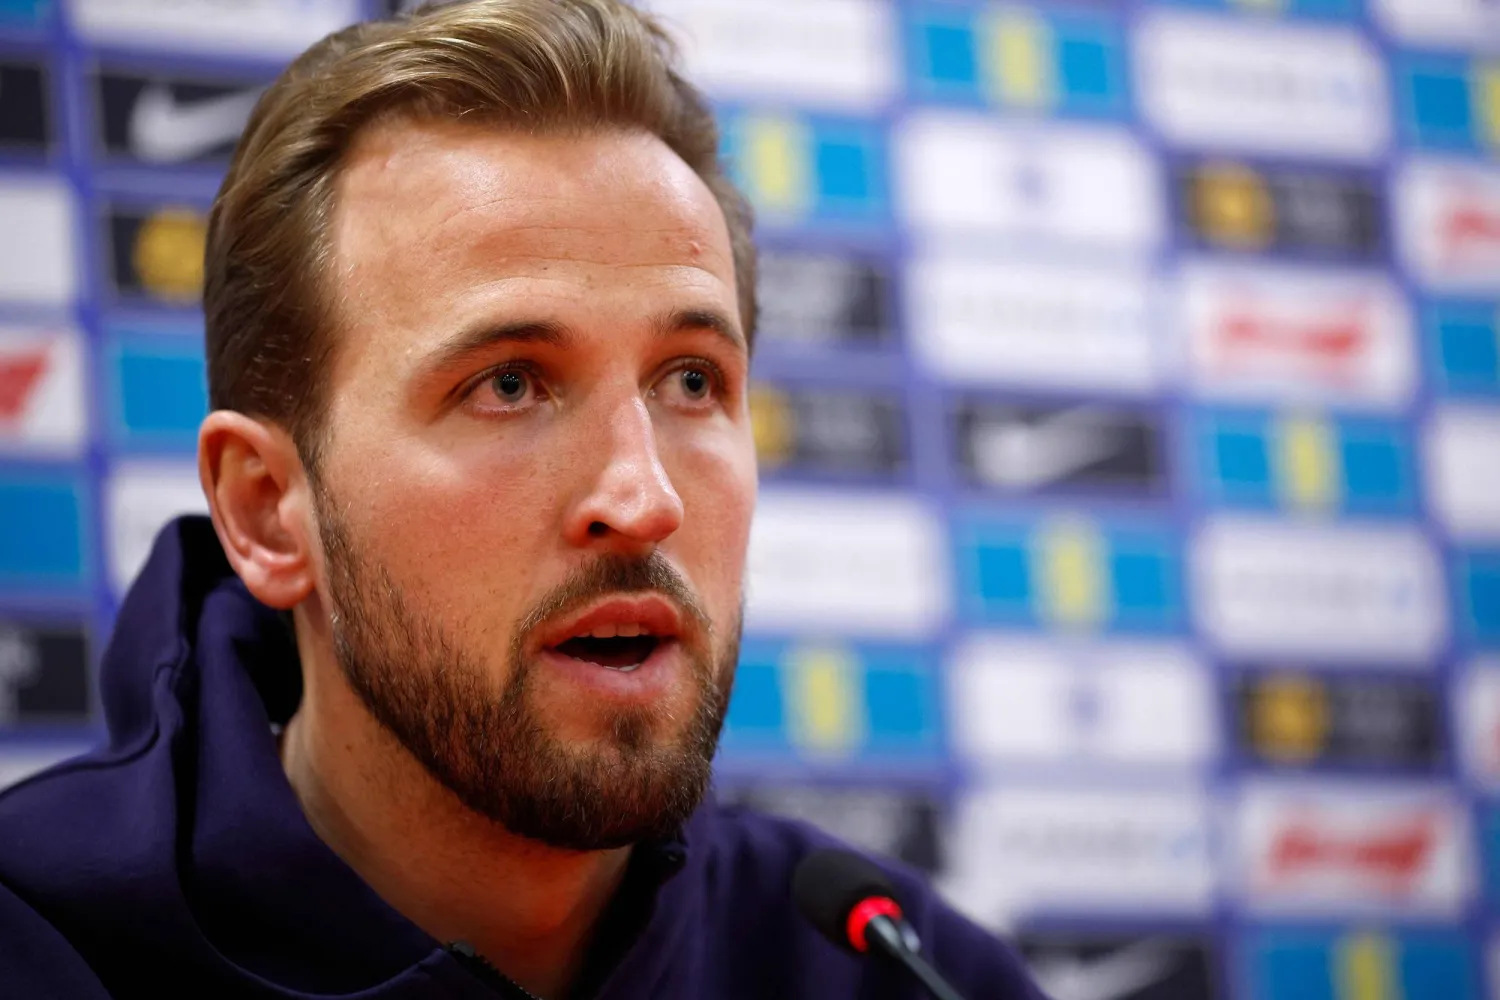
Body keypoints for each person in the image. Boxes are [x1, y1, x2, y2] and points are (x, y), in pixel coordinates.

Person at [0, 2, 1047, 997]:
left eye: (691, 380)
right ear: (270, 509)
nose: (641, 499)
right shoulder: (43, 945)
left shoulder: (888, 967)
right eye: (507, 384)